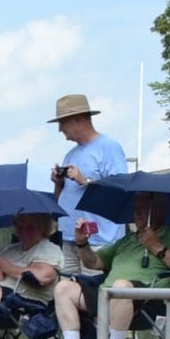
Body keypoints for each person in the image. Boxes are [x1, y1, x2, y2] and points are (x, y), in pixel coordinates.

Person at [52, 193, 170, 339]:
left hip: (150, 300)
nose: (136, 213)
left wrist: (157, 246)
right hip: (108, 296)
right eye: (135, 208)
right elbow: (93, 262)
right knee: (63, 288)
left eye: (143, 208)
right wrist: (82, 244)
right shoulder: (127, 240)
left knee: (120, 286)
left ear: (160, 209)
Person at [49, 93, 127, 276]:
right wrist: (59, 183)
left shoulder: (109, 147)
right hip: (69, 237)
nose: (60, 129)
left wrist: (85, 181)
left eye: (63, 122)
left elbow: (121, 190)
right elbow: (61, 199)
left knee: (92, 295)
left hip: (98, 241)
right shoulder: (70, 154)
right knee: (66, 292)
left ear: (78, 120)